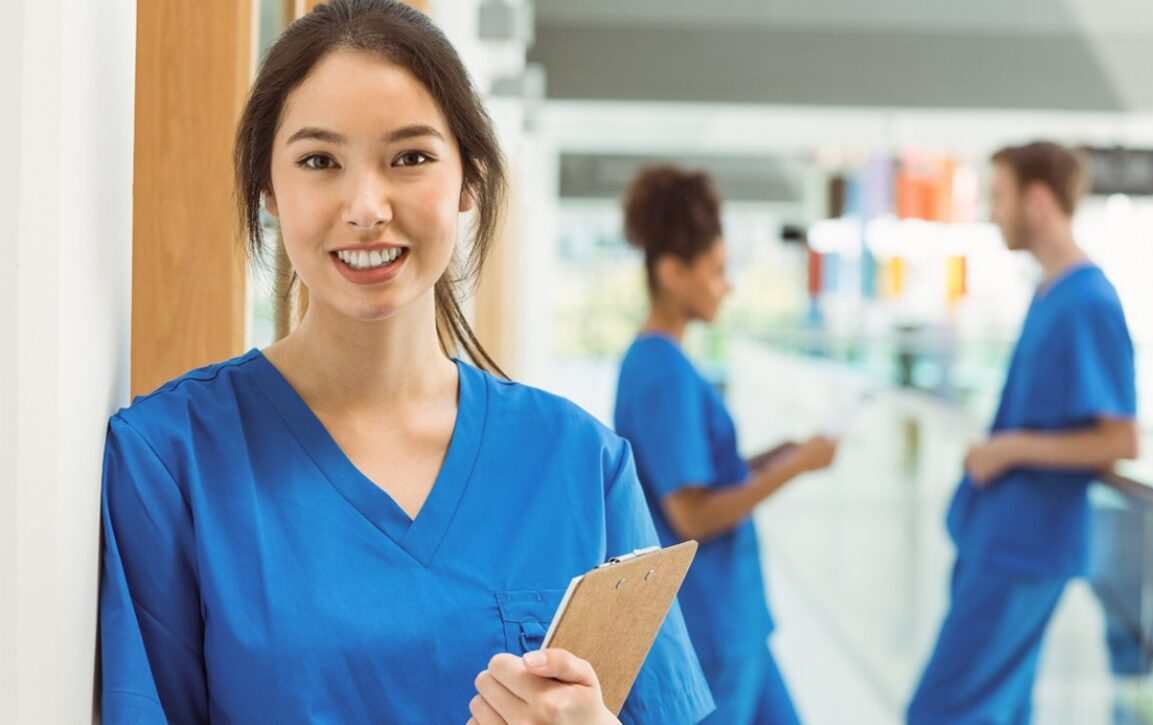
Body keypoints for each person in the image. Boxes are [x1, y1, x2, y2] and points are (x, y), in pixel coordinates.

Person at [98, 2, 714, 722]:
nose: (366, 206)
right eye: (319, 160)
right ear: (270, 187)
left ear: (467, 181)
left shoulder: (580, 464)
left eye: (411, 157)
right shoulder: (170, 461)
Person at [907, 142, 1139, 724]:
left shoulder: (1087, 302)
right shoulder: (1050, 294)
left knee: (939, 712)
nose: (992, 211)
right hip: (1002, 539)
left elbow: (1120, 440)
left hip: (1024, 549)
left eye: (1000, 196)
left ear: (1038, 200)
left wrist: (1009, 450)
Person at [613, 166, 837, 724]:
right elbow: (692, 513)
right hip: (708, 621)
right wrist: (798, 468)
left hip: (737, 617)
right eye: (716, 271)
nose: (727, 285)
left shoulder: (665, 363)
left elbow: (701, 473)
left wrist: (774, 455)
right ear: (672, 272)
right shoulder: (660, 370)